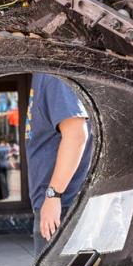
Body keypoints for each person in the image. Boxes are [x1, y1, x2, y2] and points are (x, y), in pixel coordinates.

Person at [25, 74, 92, 256]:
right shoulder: (45, 74)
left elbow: (76, 135)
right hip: (60, 204)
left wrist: (53, 195)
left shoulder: (52, 75)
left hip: (64, 206)